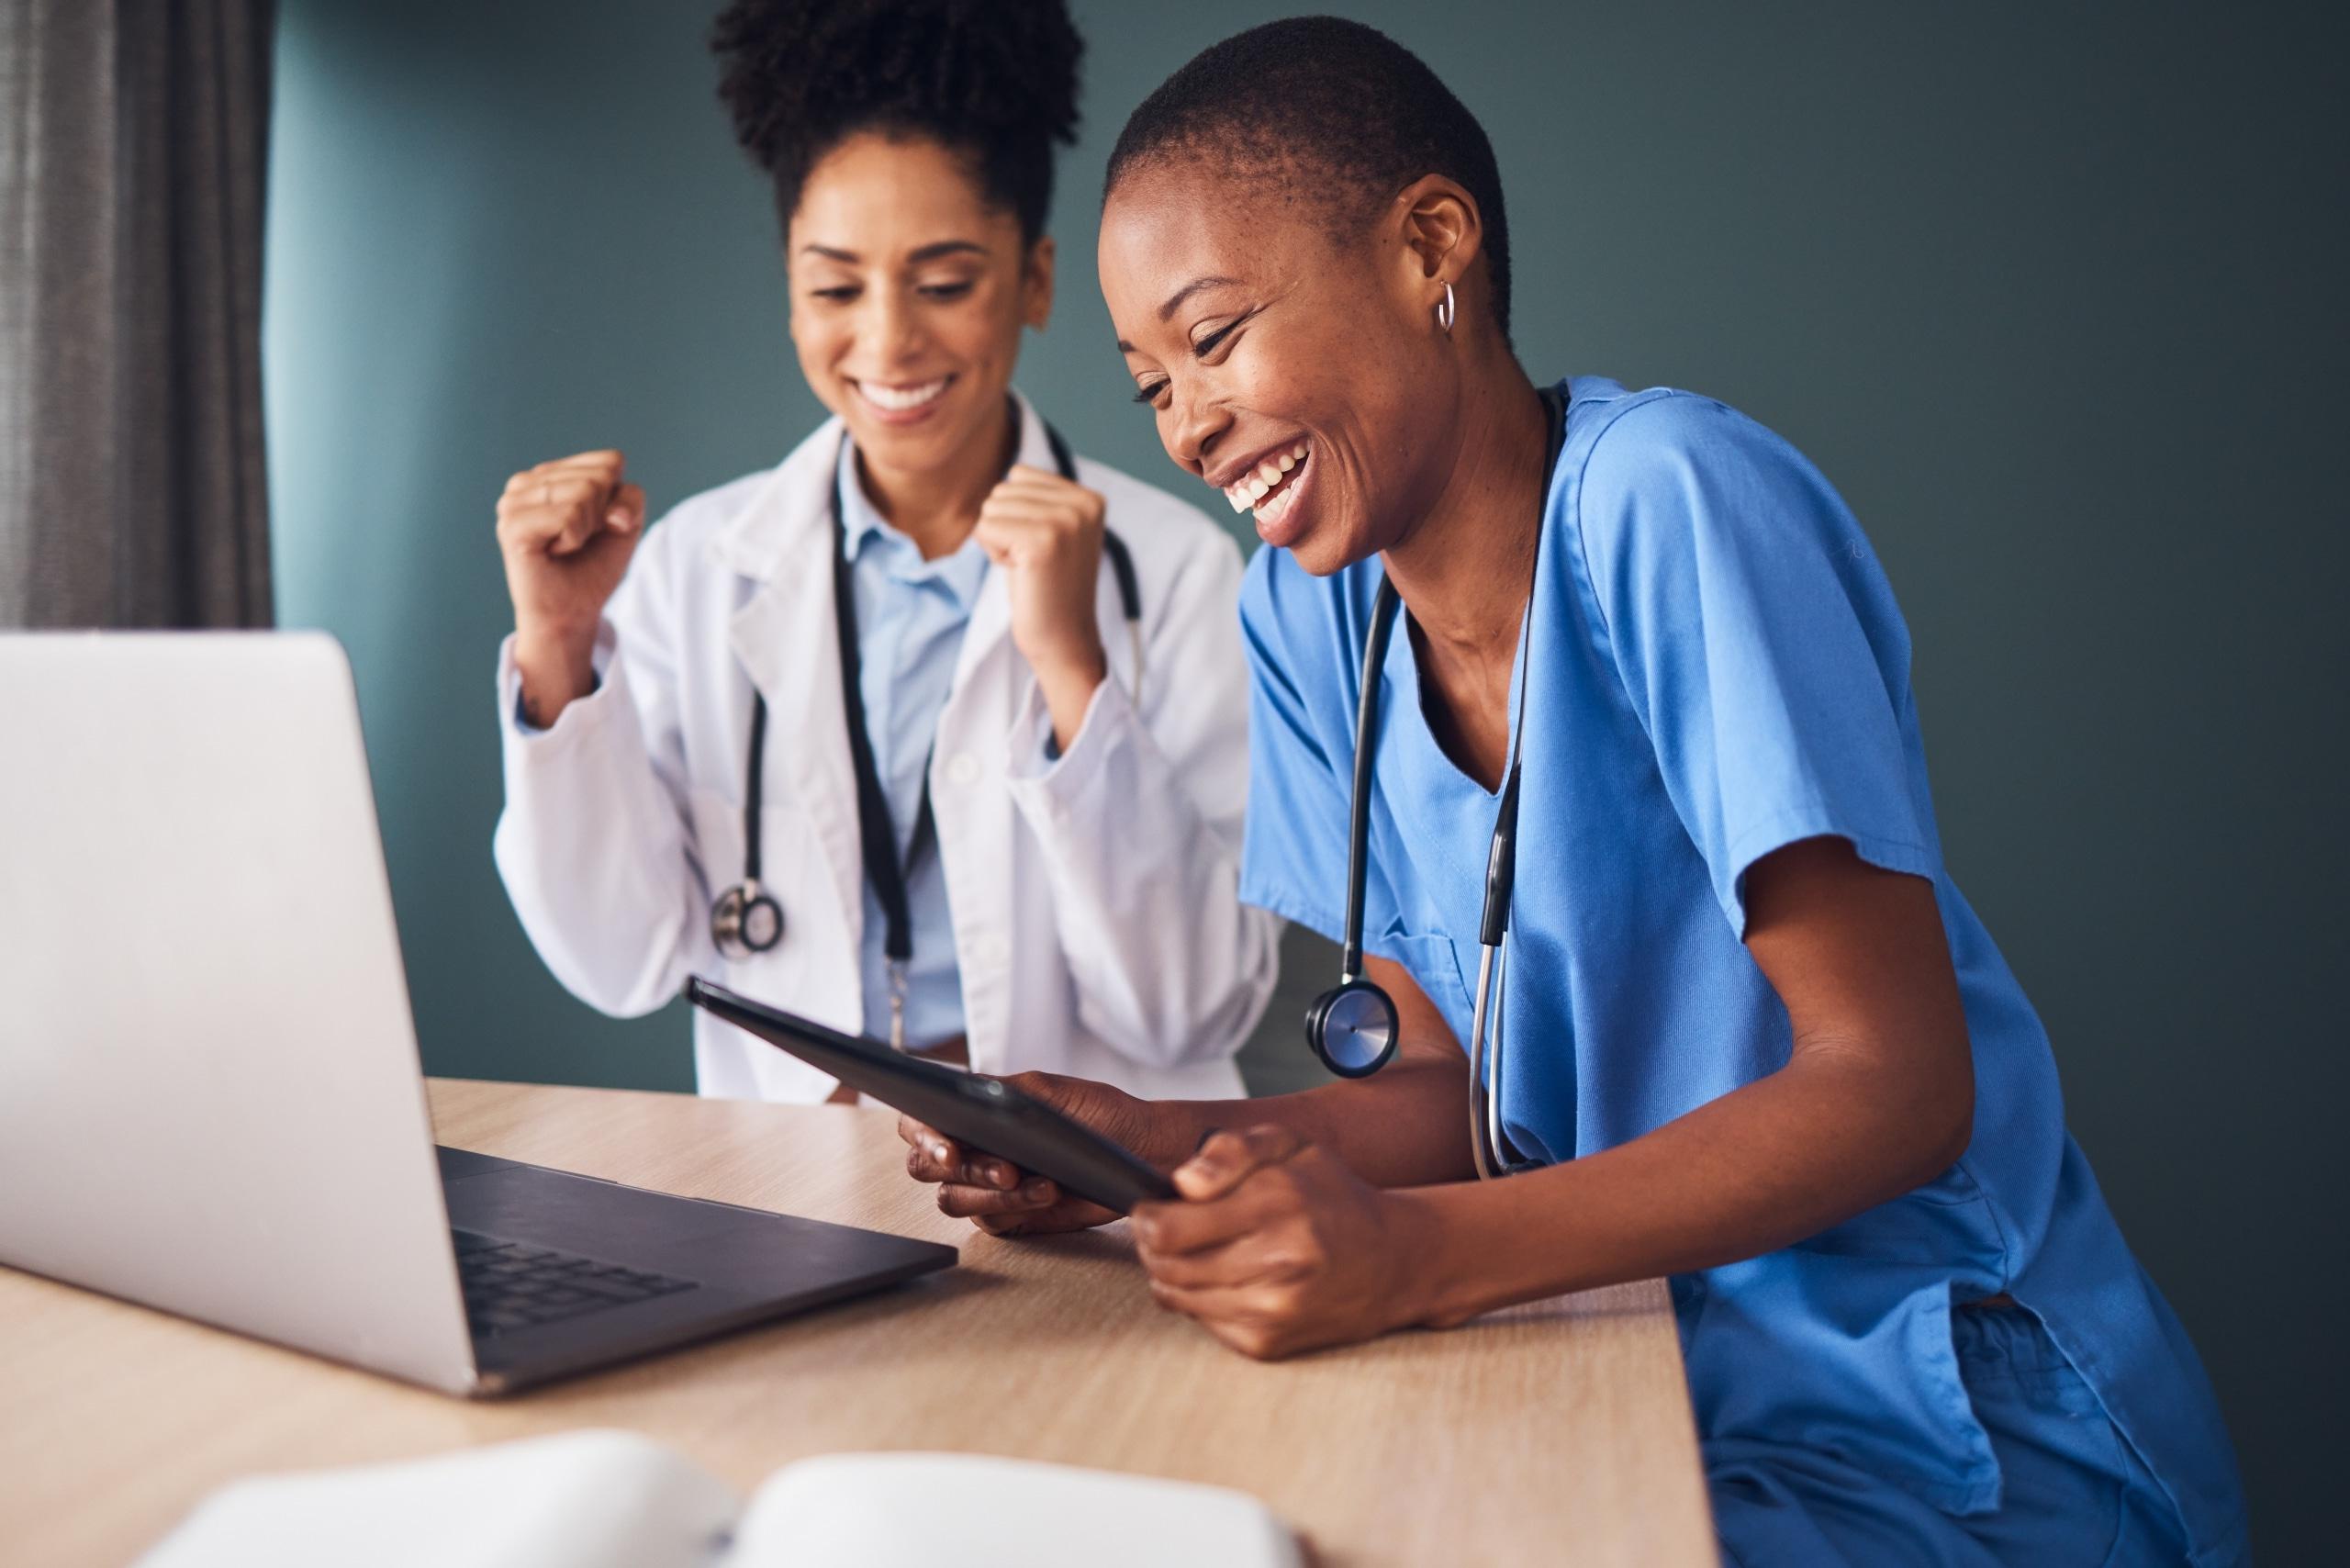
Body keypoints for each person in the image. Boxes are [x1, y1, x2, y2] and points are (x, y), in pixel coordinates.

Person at [900, 17, 2247, 1566]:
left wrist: (1411, 1259)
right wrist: (1155, 1145)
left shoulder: (1669, 499)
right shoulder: (1308, 612)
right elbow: (1454, 1102)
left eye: (1214, 340)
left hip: (1947, 1426)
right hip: (1630, 1368)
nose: (1189, 423)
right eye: (1148, 387)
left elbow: (1895, 1079)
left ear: (1429, 246)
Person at [491, 0, 1277, 1104]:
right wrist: (561, 645)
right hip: (790, 1191)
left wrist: (1071, 671)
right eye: (833, 286)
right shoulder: (691, 567)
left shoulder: (1175, 572)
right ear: (788, 287)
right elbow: (620, 962)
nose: (888, 338)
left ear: (1036, 280)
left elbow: (1195, 1006)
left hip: (1083, 1201)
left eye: (945, 283)